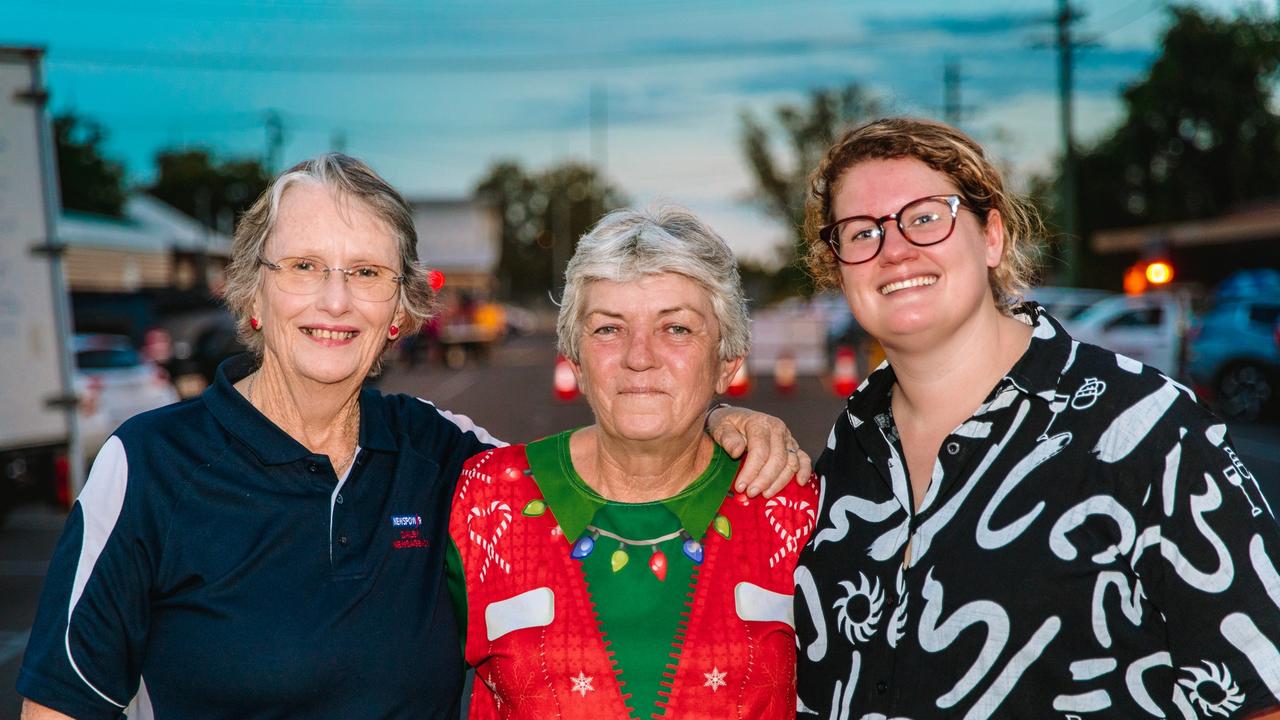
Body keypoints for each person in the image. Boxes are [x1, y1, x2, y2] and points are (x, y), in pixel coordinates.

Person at [16, 155, 806, 720]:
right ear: (253, 293)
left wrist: (719, 418)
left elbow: (619, 452)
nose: (335, 299)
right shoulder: (150, 464)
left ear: (400, 311)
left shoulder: (448, 458)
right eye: (302, 266)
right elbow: (60, 704)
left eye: (366, 273)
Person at [793, 117, 1280, 719]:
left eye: (925, 217)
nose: (894, 249)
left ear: (991, 235)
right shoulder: (850, 445)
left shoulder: (1144, 427)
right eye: (861, 231)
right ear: (838, 265)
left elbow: (1262, 693)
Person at [448, 206, 818, 719]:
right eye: (608, 330)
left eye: (677, 329)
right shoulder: (481, 503)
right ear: (574, 360)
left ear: (728, 360)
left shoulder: (796, 506)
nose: (638, 356)